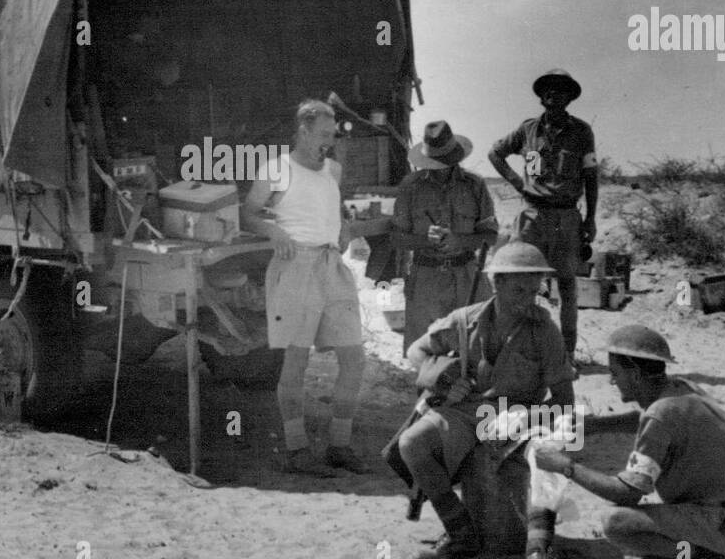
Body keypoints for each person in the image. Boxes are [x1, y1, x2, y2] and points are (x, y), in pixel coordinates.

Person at [533, 325, 725, 559]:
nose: (612, 382)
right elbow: (641, 420)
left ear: (635, 374)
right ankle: (687, 556)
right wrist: (586, 428)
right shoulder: (681, 390)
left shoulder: (660, 415)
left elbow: (628, 494)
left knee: (618, 524)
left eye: (615, 374)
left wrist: (566, 467)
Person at [399, 242, 573, 559]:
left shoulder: (545, 331)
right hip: (470, 411)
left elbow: (564, 401)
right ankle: (460, 534)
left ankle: (536, 553)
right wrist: (441, 377)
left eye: (534, 288)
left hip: (523, 416)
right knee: (411, 443)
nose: (528, 298)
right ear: (497, 284)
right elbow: (416, 350)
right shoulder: (466, 320)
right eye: (519, 288)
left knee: (550, 453)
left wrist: (529, 420)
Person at [241, 99, 366, 476]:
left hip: (332, 266)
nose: (329, 141)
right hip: (295, 268)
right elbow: (248, 213)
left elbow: (330, 208)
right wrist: (273, 230)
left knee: (354, 359)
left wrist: (342, 226)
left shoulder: (333, 170)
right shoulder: (276, 169)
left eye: (333, 135)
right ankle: (297, 449)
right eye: (324, 134)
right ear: (303, 129)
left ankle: (338, 445)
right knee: (296, 362)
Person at [488, 68, 597, 366]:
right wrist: (514, 181)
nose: (553, 94)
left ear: (569, 97)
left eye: (560, 89)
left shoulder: (582, 132)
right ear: (541, 95)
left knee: (566, 286)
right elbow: (495, 153)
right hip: (532, 215)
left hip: (566, 218)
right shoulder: (527, 130)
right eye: (547, 89)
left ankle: (567, 352)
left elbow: (590, 176)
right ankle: (514, 345)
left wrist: (591, 219)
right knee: (516, 280)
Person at [391, 121, 497, 351]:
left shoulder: (475, 185)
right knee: (425, 356)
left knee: (473, 352)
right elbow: (397, 238)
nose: (440, 168)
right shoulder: (411, 186)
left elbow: (490, 236)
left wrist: (460, 241)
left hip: (468, 279)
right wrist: (424, 240)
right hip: (425, 283)